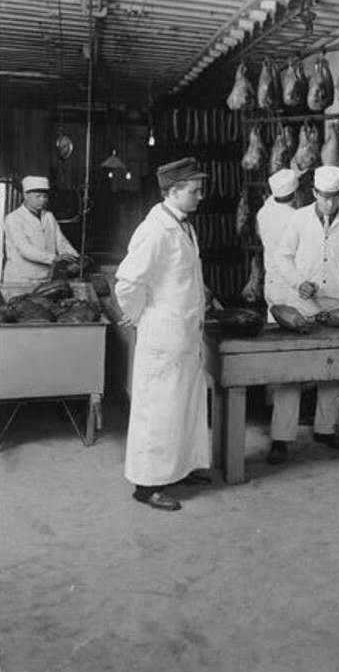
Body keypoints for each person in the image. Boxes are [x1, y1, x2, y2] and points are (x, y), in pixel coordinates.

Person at [114, 158, 210, 511]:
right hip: (164, 336)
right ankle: (147, 484)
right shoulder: (155, 230)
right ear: (173, 191)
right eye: (195, 190)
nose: (201, 196)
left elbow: (179, 276)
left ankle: (179, 468)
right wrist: (140, 316)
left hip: (184, 335)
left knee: (183, 405)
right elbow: (127, 283)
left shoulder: (182, 225)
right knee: (159, 411)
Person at [271, 166, 339, 464]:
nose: (329, 203)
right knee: (291, 372)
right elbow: (282, 255)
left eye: (334, 197)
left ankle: (325, 429)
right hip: (304, 305)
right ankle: (280, 437)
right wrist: (297, 282)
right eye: (324, 197)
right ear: (314, 193)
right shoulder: (299, 218)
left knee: (331, 371)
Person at [255, 169, 304, 456]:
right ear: (296, 193)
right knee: (293, 360)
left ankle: (275, 416)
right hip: (293, 289)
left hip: (272, 287)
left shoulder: (264, 212)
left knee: (276, 355)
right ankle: (281, 435)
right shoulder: (295, 217)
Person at [1, 175, 78, 298]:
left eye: (45, 196)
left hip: (44, 278)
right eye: (38, 196)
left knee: (42, 312)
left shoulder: (48, 216)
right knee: (22, 313)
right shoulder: (13, 218)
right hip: (19, 280)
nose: (43, 200)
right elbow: (24, 249)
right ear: (25, 196)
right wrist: (54, 258)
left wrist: (74, 258)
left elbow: (61, 241)